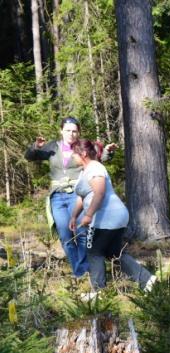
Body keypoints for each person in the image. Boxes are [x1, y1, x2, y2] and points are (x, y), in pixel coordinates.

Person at [24, 117, 117, 277]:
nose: (71, 134)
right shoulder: (53, 146)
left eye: (74, 131)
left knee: (82, 233)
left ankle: (84, 272)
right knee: (64, 234)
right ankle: (80, 270)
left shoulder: (81, 147)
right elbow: (30, 156)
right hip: (57, 197)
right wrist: (35, 147)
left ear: (78, 132)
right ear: (61, 131)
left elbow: (98, 158)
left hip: (77, 195)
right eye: (68, 130)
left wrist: (108, 151)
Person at [68, 139, 154, 292]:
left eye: (74, 153)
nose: (72, 156)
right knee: (115, 253)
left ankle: (99, 292)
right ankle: (147, 281)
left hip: (107, 218)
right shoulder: (85, 171)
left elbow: (99, 193)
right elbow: (82, 197)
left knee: (94, 252)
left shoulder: (95, 168)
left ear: (83, 153)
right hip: (109, 218)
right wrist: (74, 216)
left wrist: (88, 215)